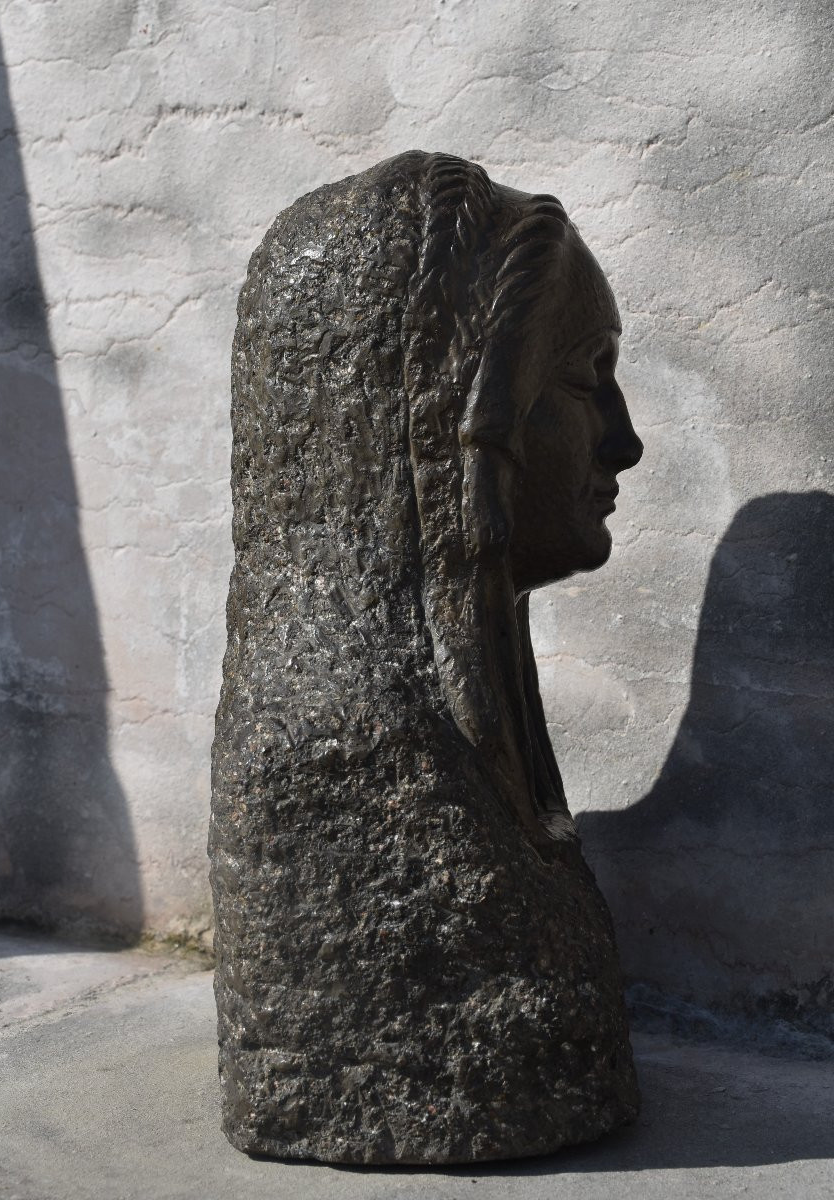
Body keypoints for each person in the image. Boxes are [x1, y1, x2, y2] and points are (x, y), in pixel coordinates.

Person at [211, 151, 643, 1163]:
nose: (624, 442)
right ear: (452, 418)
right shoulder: (337, 752)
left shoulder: (454, 732)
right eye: (587, 381)